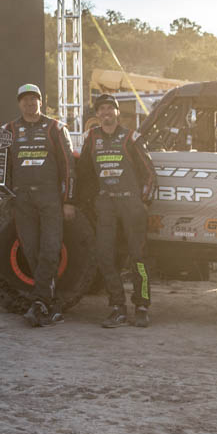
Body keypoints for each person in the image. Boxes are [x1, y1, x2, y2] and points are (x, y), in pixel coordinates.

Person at [78, 94, 157, 328]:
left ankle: (142, 306)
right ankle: (117, 307)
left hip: (132, 206)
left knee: (138, 257)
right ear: (97, 114)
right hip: (106, 207)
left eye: (109, 109)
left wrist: (143, 202)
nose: (105, 113)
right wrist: (91, 200)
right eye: (101, 109)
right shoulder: (91, 138)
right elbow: (84, 174)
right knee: (103, 255)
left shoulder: (131, 137)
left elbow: (150, 174)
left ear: (117, 112)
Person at [0, 83, 75, 327]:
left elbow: (69, 167)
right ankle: (50, 305)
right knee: (30, 249)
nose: (29, 103)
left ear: (41, 102)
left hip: (50, 198)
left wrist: (69, 201)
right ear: (19, 103)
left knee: (50, 249)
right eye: (25, 100)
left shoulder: (55, 127)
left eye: (34, 99)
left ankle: (41, 302)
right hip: (22, 200)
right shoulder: (10, 129)